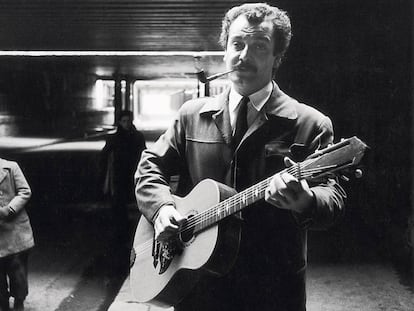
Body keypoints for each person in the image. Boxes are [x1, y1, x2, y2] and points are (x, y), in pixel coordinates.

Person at [135, 3, 346, 311]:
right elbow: (149, 166)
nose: (244, 56)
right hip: (198, 287)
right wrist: (162, 209)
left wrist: (305, 201)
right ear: (225, 51)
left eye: (259, 47)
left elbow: (333, 198)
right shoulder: (192, 115)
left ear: (278, 58)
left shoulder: (310, 124)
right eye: (237, 44)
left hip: (273, 290)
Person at [100, 110, 146, 275]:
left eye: (128, 120)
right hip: (119, 176)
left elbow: (143, 154)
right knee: (119, 206)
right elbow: (104, 156)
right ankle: (121, 230)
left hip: (132, 174)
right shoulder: (114, 138)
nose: (126, 123)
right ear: (119, 122)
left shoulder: (138, 137)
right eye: (123, 121)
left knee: (134, 203)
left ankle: (131, 231)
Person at [0, 158, 33, 311]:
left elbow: (25, 191)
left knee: (17, 273)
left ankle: (19, 301)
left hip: (15, 232)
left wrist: (10, 209)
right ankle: (3, 302)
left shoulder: (11, 167)